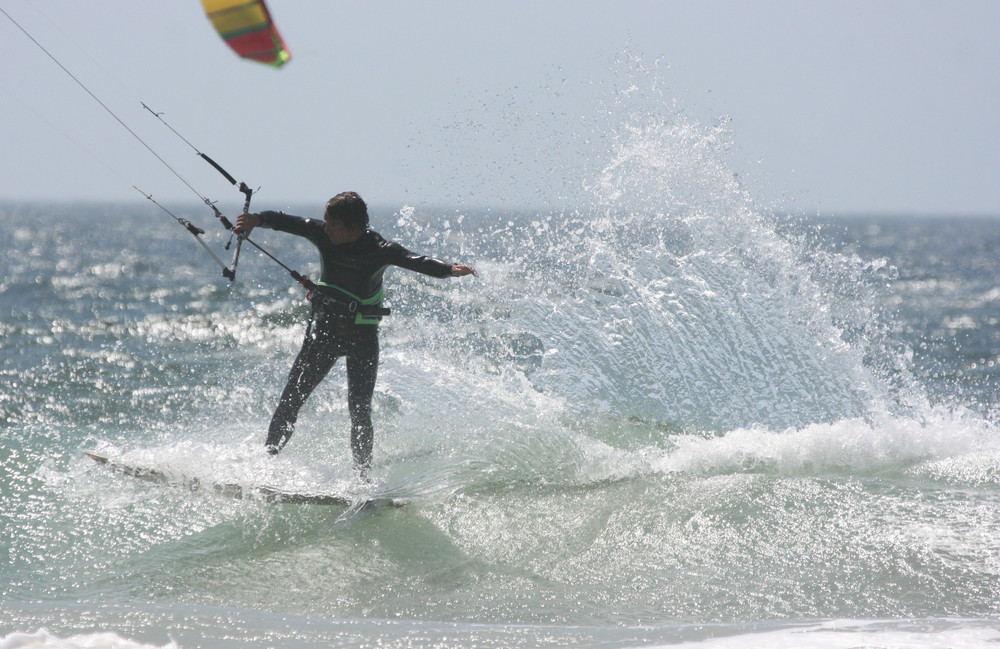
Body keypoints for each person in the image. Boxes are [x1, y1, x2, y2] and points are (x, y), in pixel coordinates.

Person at [235, 192, 476, 476]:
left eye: (333, 224)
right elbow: (290, 222)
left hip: (362, 336)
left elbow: (415, 260)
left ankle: (362, 478)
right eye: (326, 222)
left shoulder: (380, 249)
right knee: (290, 401)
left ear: (354, 227)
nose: (326, 229)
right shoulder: (323, 234)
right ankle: (267, 462)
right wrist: (257, 220)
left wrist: (449, 270)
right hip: (324, 332)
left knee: (360, 411)